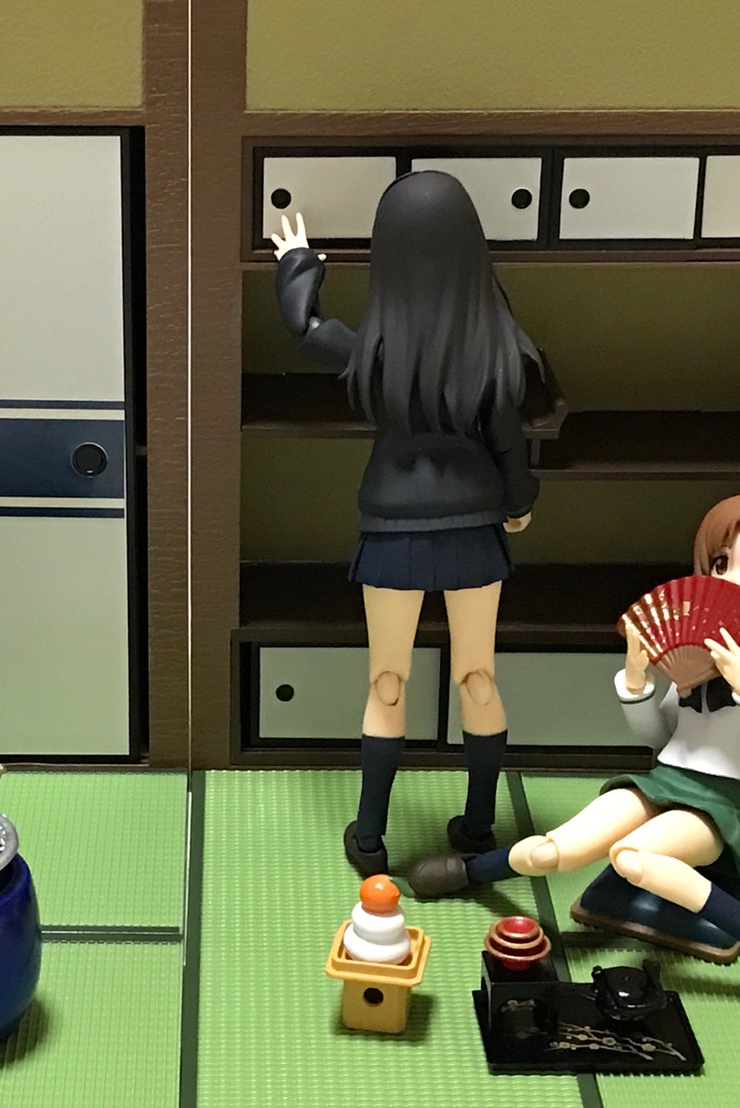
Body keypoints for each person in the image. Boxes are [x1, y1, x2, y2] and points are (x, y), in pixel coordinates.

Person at [408, 492, 740, 1026]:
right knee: (555, 850)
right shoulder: (694, 653)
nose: (732, 580)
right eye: (721, 563)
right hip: (660, 783)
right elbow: (659, 735)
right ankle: (470, 871)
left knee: (632, 858)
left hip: (716, 808)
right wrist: (636, 682)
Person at [272, 171, 540, 877]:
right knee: (478, 677)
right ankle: (478, 827)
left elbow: (308, 330)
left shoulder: (378, 350)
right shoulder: (495, 346)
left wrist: (297, 263)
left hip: (393, 525)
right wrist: (519, 502)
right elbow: (510, 442)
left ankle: (369, 838)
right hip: (475, 524)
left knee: (386, 681)